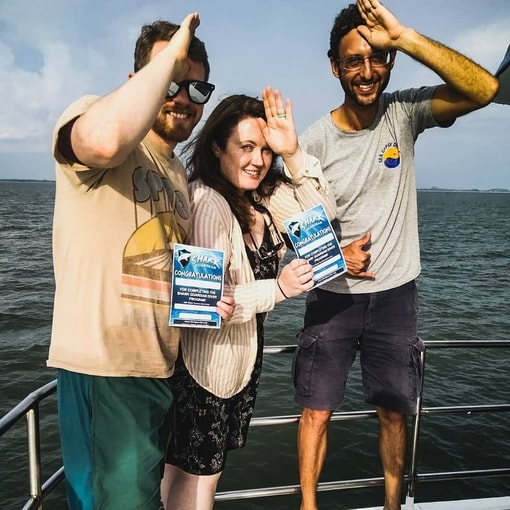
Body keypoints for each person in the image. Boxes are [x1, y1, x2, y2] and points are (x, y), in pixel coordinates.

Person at [293, 1, 500, 509]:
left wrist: (404, 36)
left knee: (393, 411)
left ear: (389, 62)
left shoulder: (403, 113)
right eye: (353, 61)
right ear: (334, 67)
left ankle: (392, 505)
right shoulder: (312, 143)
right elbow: (292, 235)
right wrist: (335, 256)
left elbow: (485, 91)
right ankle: (308, 505)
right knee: (316, 412)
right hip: (332, 296)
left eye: (377, 58)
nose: (367, 72)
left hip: (395, 297)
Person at [48, 14, 233, 510]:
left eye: (197, 88)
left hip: (156, 370)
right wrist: (169, 59)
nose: (182, 97)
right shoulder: (95, 116)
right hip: (106, 367)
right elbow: (104, 141)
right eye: (171, 80)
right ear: (139, 82)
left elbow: (167, 269)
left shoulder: (175, 172)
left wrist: (208, 301)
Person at [160, 88, 336, 510]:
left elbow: (323, 219)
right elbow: (201, 307)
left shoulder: (262, 196)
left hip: (238, 365)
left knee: (206, 475)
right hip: (203, 369)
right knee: (192, 481)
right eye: (245, 147)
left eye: (264, 149)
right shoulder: (206, 202)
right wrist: (277, 289)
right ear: (217, 147)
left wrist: (292, 153)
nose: (257, 160)